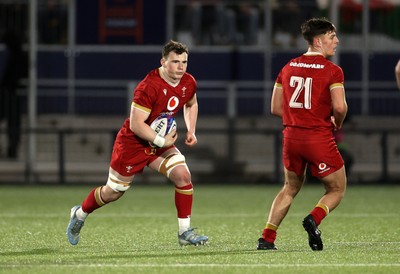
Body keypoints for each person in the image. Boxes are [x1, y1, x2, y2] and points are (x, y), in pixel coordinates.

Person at [66, 40, 208, 246]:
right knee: (113, 192)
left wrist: (192, 130)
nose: (180, 67)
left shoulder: (188, 81)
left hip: (160, 142)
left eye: (184, 62)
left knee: (183, 175)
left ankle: (184, 233)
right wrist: (161, 139)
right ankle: (79, 213)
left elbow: (191, 103)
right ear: (163, 62)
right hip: (133, 144)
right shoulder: (149, 86)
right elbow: (136, 125)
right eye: (175, 62)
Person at [257, 17, 348, 251]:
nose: (336, 41)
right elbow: (339, 107)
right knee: (337, 188)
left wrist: (296, 119)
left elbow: (275, 108)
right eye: (331, 37)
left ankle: (267, 239)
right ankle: (313, 219)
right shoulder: (333, 71)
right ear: (318, 41)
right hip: (318, 137)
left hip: (291, 137)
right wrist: (336, 121)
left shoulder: (287, 67)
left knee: (289, 188)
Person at [0, 30, 28, 159]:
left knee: (14, 126)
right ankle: (12, 150)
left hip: (11, 96)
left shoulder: (17, 56)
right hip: (11, 96)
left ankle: (12, 151)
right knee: (14, 125)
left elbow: (10, 78)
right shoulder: (17, 55)